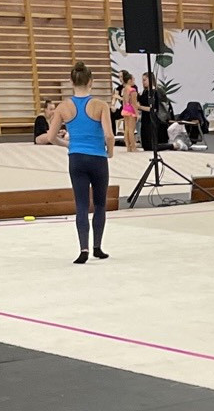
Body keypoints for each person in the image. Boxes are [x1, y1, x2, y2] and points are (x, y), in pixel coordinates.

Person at [38, 61, 113, 264]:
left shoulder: (63, 107)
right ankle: (97, 247)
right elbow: (109, 135)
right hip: (98, 158)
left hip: (76, 158)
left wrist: (68, 145)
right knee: (100, 203)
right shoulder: (100, 105)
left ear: (71, 82)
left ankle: (83, 249)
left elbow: (51, 137)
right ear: (91, 82)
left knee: (81, 205)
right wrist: (110, 152)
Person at [117, 72, 139, 152]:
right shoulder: (132, 90)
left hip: (125, 109)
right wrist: (137, 113)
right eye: (133, 79)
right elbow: (134, 103)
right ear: (129, 80)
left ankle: (128, 147)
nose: (134, 81)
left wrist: (124, 109)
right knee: (131, 130)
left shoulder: (124, 89)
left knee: (126, 129)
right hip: (131, 111)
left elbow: (124, 101)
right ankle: (133, 147)